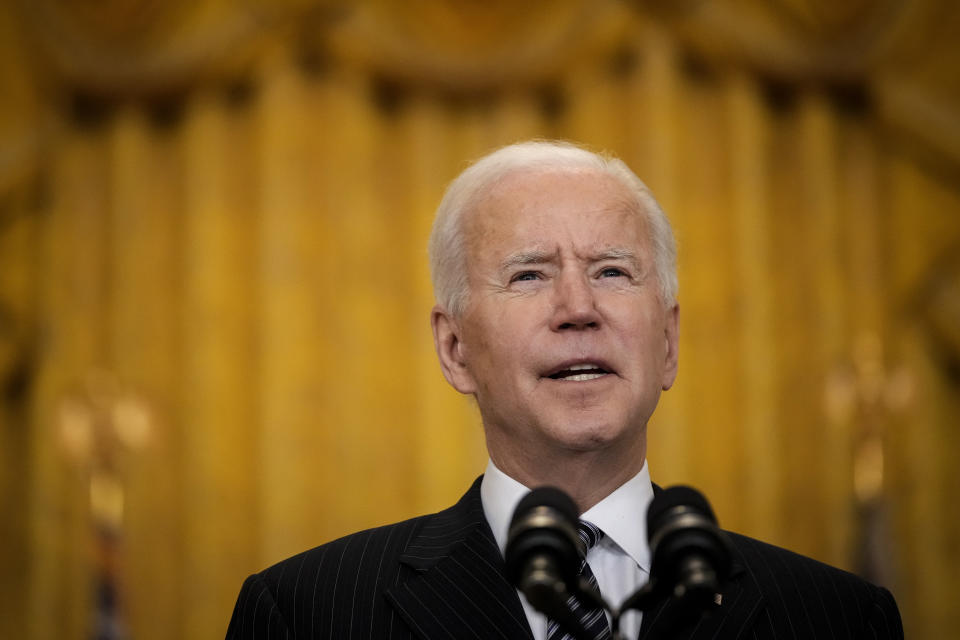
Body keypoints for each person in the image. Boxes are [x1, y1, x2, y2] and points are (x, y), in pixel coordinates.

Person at [225, 141, 903, 639]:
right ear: (454, 347)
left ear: (667, 342)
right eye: (529, 276)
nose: (578, 307)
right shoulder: (306, 613)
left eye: (611, 271)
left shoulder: (837, 619)